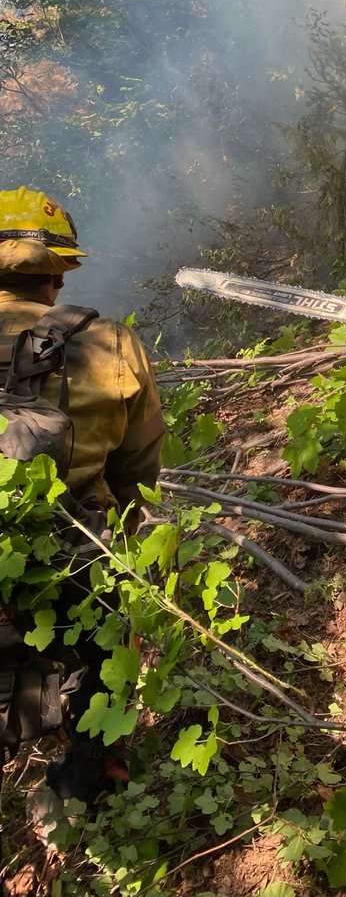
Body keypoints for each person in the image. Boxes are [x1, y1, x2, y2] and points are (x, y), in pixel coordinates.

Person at [0, 186, 165, 803]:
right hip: (74, 569)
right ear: (58, 276)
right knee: (112, 634)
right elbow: (138, 478)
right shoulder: (112, 346)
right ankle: (89, 780)